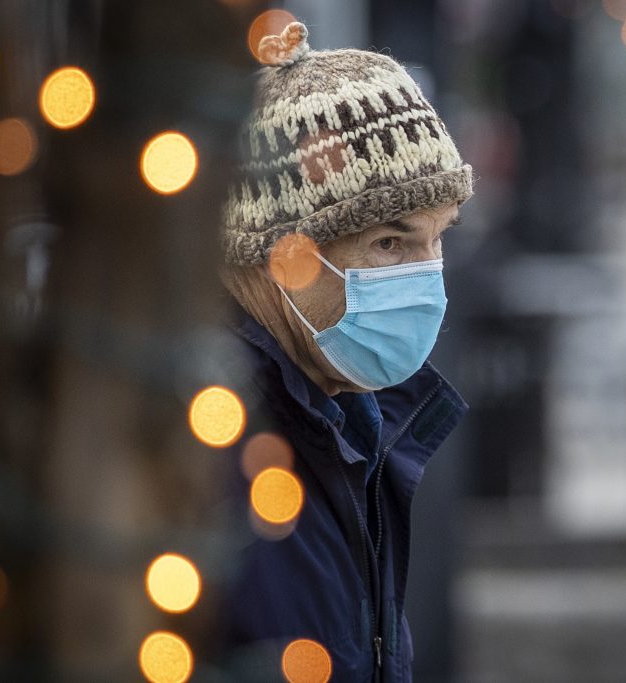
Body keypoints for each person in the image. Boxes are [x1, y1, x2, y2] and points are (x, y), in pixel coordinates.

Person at [214, 21, 473, 681]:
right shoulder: (214, 449)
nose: (426, 276)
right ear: (282, 255)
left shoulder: (350, 420)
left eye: (439, 238)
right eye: (389, 243)